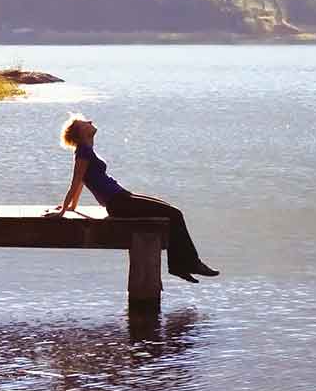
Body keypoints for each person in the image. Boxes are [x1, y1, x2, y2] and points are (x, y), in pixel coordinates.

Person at [47, 113, 219, 283]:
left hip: (122, 198)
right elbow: (76, 181)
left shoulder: (87, 150)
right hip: (119, 203)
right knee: (175, 214)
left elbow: (82, 181)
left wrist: (71, 207)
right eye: (84, 122)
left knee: (171, 212)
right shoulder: (83, 151)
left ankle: (180, 266)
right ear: (80, 132)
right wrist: (63, 211)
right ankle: (189, 264)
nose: (90, 121)